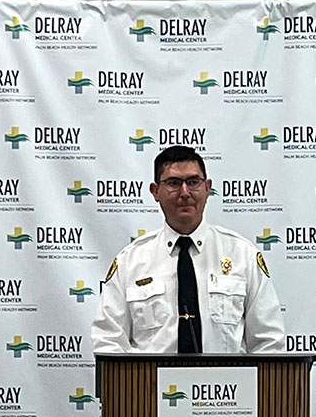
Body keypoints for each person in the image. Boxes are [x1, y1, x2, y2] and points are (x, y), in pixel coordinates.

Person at [91, 145, 284, 353]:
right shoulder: (130, 262)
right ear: (155, 191)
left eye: (193, 182)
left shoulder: (242, 255)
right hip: (150, 376)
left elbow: (269, 342)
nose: (184, 193)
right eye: (173, 183)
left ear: (208, 188)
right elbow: (108, 342)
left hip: (224, 376)